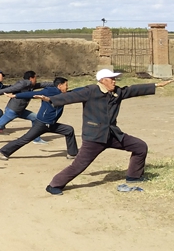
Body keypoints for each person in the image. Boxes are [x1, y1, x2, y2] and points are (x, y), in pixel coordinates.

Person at [44, 70, 172, 195]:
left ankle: (134, 176)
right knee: (79, 165)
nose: (114, 81)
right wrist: (50, 99)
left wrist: (156, 85)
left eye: (114, 78)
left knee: (140, 146)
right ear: (102, 80)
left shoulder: (117, 92)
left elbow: (133, 90)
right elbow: (71, 96)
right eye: (111, 79)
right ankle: (54, 185)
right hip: (94, 137)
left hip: (112, 135)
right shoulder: (91, 91)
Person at [0, 77, 79, 161]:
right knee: (25, 139)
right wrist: (16, 95)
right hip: (42, 123)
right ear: (60, 85)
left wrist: (89, 89)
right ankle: (2, 152)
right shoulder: (50, 91)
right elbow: (32, 94)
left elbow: (74, 92)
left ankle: (72, 154)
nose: (67, 87)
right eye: (66, 85)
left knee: (69, 130)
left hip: (51, 124)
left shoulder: (63, 94)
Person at [0, 71, 51, 144]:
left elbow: (43, 84)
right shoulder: (23, 83)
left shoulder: (30, 86)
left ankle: (36, 139)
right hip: (13, 110)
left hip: (21, 110)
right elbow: (11, 89)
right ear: (31, 78)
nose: (36, 80)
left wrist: (57, 84)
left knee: (35, 118)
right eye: (35, 78)